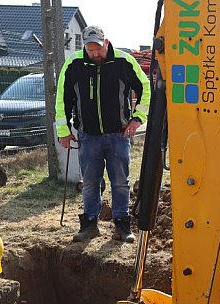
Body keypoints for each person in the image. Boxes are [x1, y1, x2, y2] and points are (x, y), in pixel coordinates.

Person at [56, 25, 151, 243]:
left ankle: (122, 226)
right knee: (90, 182)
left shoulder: (124, 62)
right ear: (84, 48)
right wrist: (64, 130)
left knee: (120, 182)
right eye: (90, 50)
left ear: (105, 43)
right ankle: (89, 225)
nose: (95, 53)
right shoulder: (73, 65)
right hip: (88, 136)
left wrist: (137, 119)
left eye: (98, 48)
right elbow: (62, 99)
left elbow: (146, 88)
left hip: (119, 135)